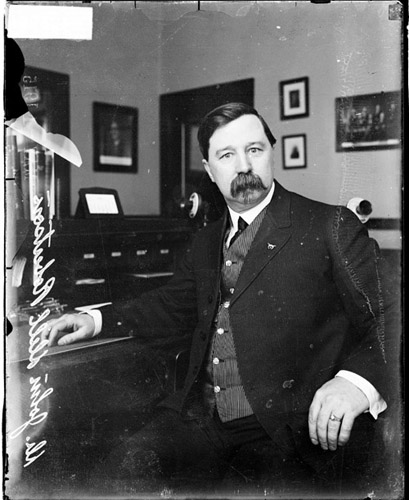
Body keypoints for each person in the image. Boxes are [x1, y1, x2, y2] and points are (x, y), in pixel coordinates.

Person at [44, 103, 397, 496]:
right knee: (111, 479)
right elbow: (170, 304)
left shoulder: (330, 225)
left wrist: (354, 384)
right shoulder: (206, 241)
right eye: (226, 155)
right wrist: (95, 319)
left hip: (288, 432)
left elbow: (390, 314)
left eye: (255, 150)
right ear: (210, 171)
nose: (243, 165)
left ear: (271, 154)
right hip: (201, 418)